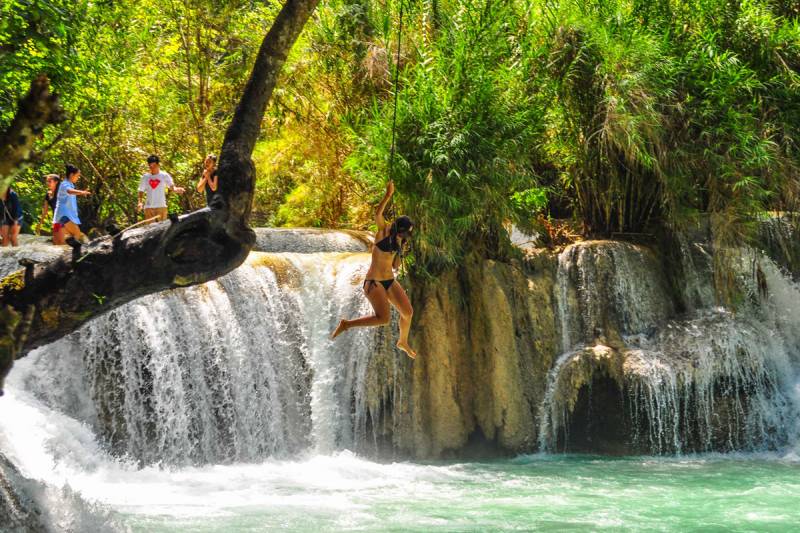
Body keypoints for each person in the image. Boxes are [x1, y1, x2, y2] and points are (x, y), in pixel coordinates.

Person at [331, 181, 416, 358]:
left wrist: (400, 249)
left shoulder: (400, 240)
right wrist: (388, 195)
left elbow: (395, 266)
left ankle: (402, 341)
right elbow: (378, 213)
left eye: (406, 235)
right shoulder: (383, 231)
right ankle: (347, 324)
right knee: (383, 319)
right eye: (403, 233)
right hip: (374, 282)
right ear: (397, 227)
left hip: (389, 281)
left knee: (408, 313)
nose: (404, 236)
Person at [137, 155, 185, 222]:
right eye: (150, 166)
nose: (152, 168)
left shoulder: (164, 175)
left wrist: (177, 189)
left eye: (154, 165)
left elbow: (172, 187)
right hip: (149, 207)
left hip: (161, 206)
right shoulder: (145, 177)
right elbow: (141, 190)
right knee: (150, 227)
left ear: (158, 165)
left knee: (162, 227)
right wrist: (140, 202)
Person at [53, 164, 91, 244]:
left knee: (61, 244)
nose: (78, 178)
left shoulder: (68, 185)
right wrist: (82, 192)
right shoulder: (65, 184)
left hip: (59, 219)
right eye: (77, 176)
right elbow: (69, 191)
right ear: (71, 175)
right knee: (76, 235)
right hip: (64, 217)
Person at [38, 173, 65, 244]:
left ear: (56, 182)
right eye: (47, 181)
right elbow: (45, 211)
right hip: (56, 221)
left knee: (60, 242)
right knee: (56, 242)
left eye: (50, 181)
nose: (47, 183)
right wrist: (40, 223)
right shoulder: (48, 194)